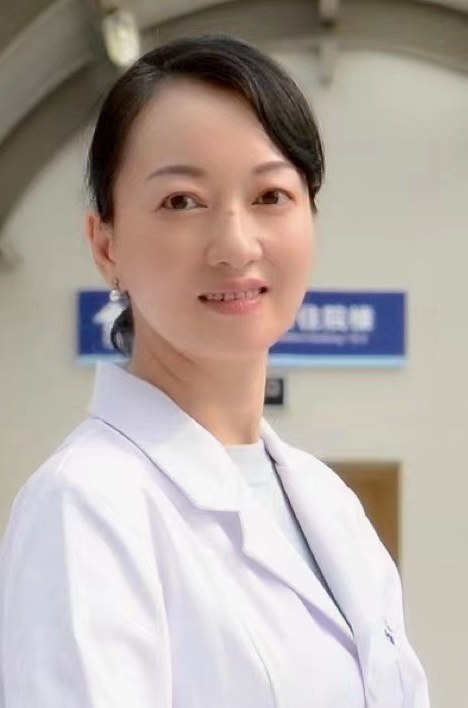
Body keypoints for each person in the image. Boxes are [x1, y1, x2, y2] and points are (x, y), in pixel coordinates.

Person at [0, 34, 429, 707]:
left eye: (271, 195)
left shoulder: (329, 505)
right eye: (182, 201)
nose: (235, 244)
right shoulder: (85, 506)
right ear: (106, 245)